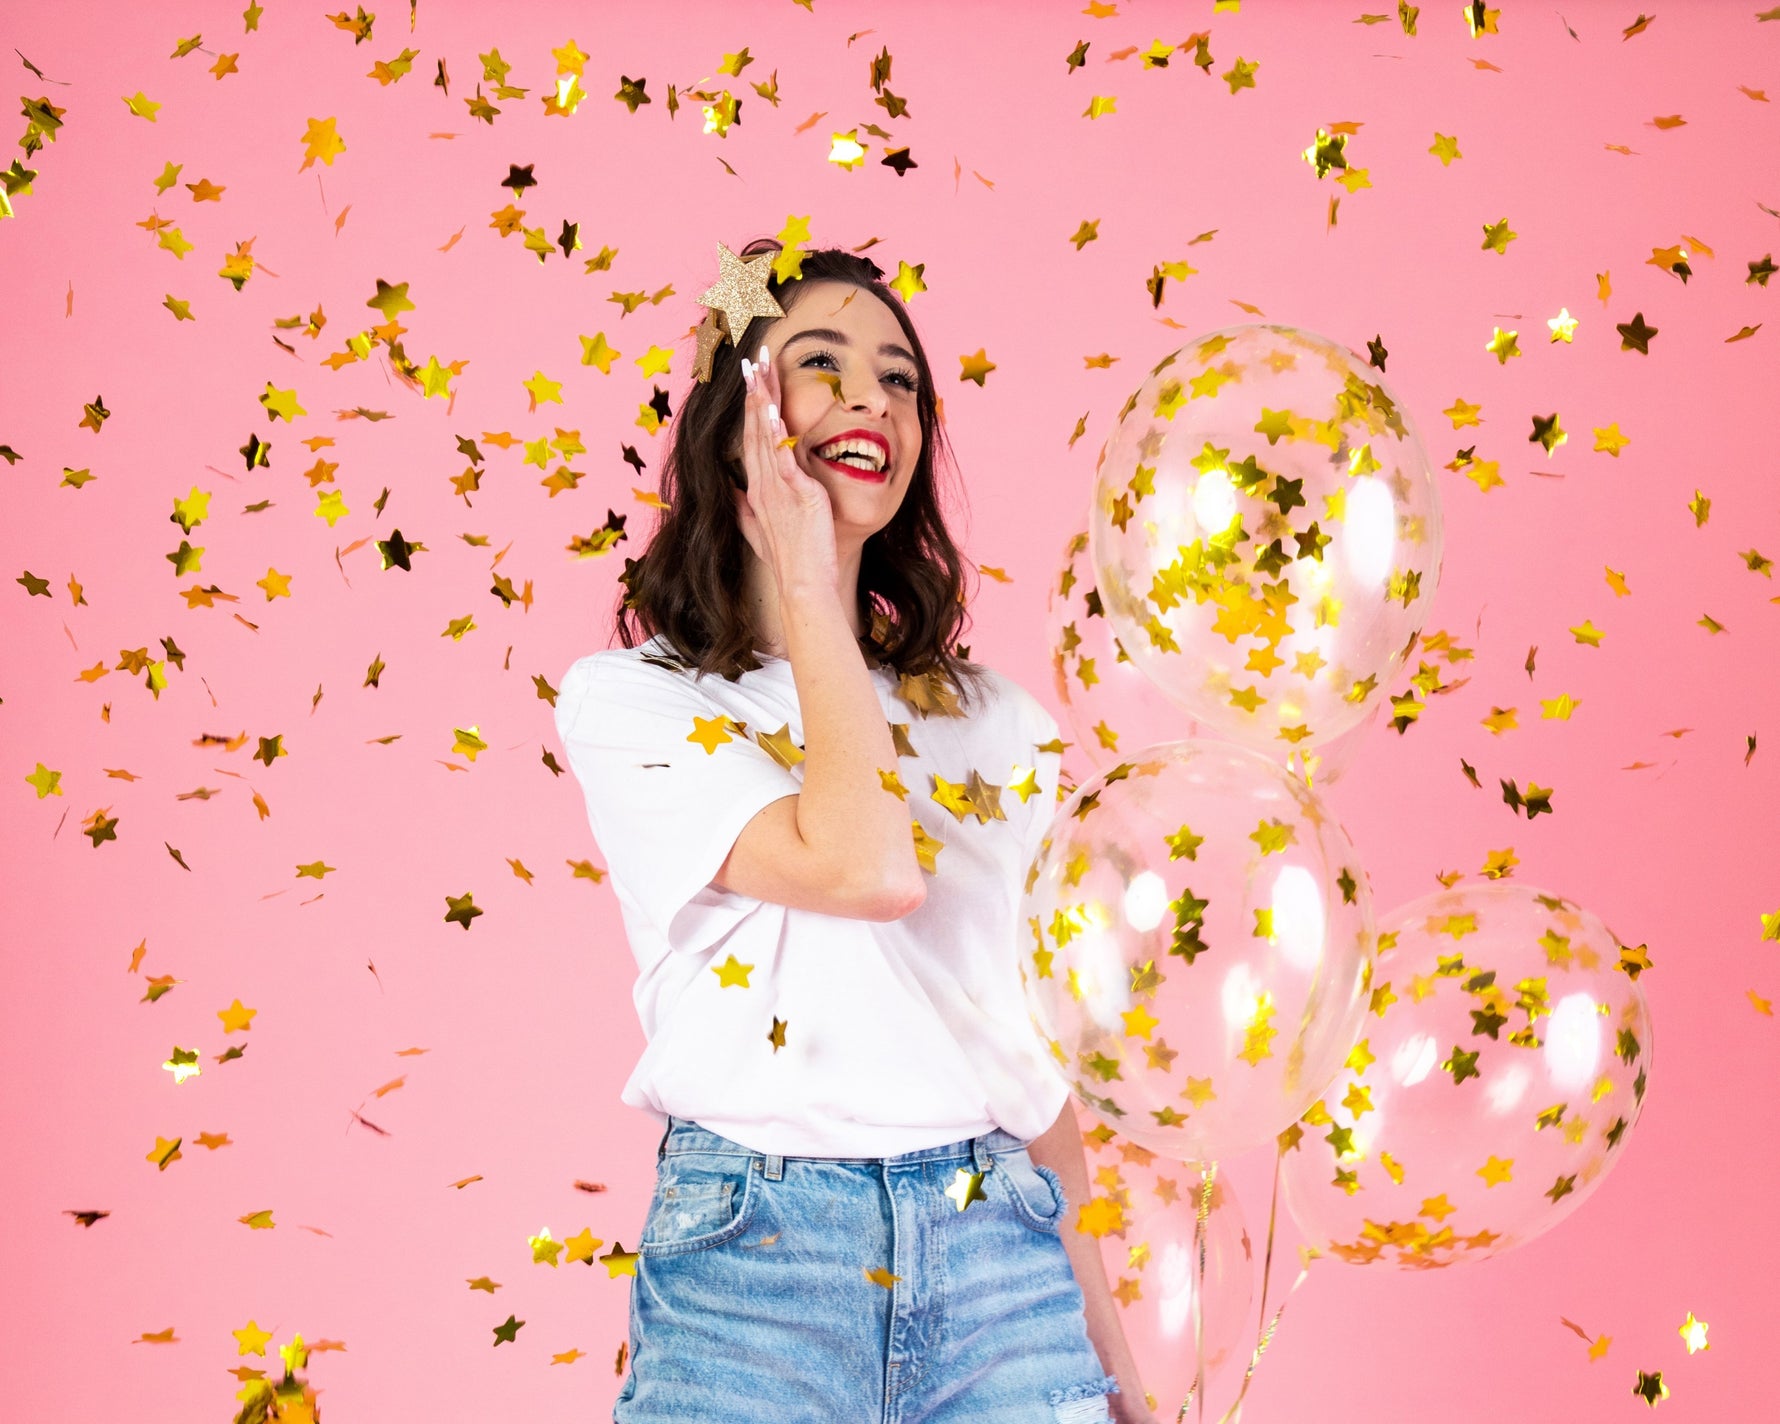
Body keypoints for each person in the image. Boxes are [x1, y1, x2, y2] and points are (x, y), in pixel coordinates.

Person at [553, 239, 1157, 1423]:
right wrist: (805, 575)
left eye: (897, 377)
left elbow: (1035, 1083)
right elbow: (863, 864)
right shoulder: (638, 699)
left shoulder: (996, 722)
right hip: (755, 1272)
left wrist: (1123, 1383)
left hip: (1005, 1273)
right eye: (819, 363)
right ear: (741, 419)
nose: (871, 396)